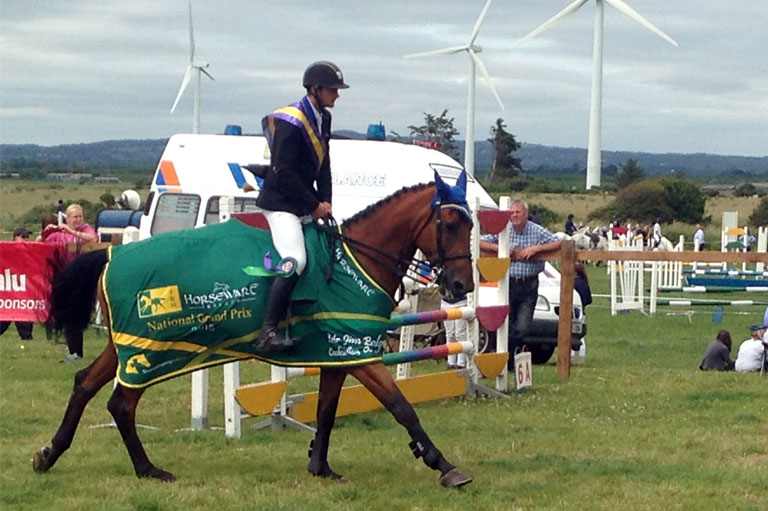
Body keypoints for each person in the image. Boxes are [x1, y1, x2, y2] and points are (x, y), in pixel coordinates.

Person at [252, 61, 348, 353]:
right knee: (297, 259)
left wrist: (326, 200)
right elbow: (283, 172)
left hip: (305, 203)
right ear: (315, 89)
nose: (337, 95)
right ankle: (268, 331)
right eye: (333, 90)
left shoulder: (324, 119)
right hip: (281, 203)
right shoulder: (290, 122)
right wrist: (313, 204)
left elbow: (324, 165)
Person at [480, 199, 561, 368]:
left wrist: (536, 249)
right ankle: (507, 361)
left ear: (526, 214)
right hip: (508, 283)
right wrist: (499, 249)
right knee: (505, 324)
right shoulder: (503, 231)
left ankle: (508, 357)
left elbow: (558, 241)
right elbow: (479, 241)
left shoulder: (537, 231)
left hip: (529, 285)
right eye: (512, 213)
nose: (514, 216)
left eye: (518, 212)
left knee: (522, 327)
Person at [0, 227, 34, 341]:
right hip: (7, 290)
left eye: (27, 237)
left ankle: (27, 339)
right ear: (15, 238)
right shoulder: (5, 249)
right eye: (23, 237)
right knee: (3, 318)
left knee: (24, 322)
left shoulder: (31, 252)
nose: (26, 240)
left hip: (23, 292)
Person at [441, 295, 467, 370]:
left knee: (460, 334)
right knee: (450, 335)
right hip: (446, 303)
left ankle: (461, 364)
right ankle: (451, 363)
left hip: (462, 303)